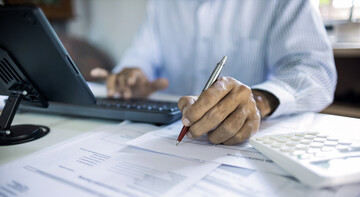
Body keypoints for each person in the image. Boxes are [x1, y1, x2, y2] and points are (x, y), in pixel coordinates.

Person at [91, 0, 336, 145]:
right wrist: (133, 75)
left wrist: (259, 100)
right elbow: (140, 57)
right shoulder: (162, 4)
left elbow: (317, 72)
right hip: (166, 132)